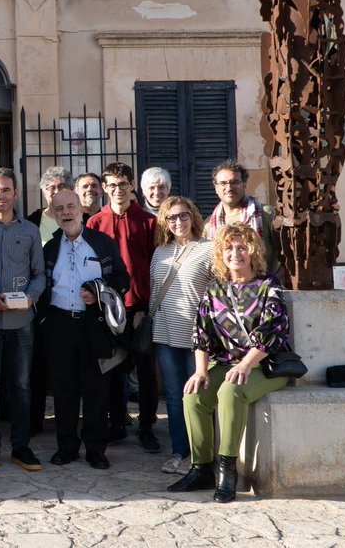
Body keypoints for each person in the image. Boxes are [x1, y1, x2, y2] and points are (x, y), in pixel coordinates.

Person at [168, 223, 290, 503]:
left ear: (253, 251)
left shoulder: (267, 285)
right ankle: (201, 468)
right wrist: (200, 371)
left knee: (230, 391)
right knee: (193, 394)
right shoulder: (215, 289)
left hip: (264, 365)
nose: (235, 253)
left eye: (242, 247)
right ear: (220, 253)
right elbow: (201, 333)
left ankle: (227, 469)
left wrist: (245, 365)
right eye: (229, 248)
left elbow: (273, 330)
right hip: (225, 364)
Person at [41, 189, 128, 471]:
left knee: (96, 389)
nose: (66, 212)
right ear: (53, 214)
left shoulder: (101, 244)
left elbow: (122, 278)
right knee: (63, 389)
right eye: (59, 209)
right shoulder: (50, 248)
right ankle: (66, 447)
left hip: (93, 324)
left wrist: (97, 289)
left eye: (71, 206)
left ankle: (95, 449)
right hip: (59, 324)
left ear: (81, 209)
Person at [0, 169, 46, 472]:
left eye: (5, 190)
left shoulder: (30, 230)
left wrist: (31, 296)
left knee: (22, 386)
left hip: (22, 320)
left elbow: (40, 273)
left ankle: (21, 446)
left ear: (15, 193)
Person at [86, 162, 160, 454]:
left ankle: (146, 427)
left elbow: (156, 264)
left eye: (123, 184)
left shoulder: (149, 222)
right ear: (105, 188)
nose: (118, 190)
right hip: (107, 308)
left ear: (132, 186)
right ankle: (117, 423)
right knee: (113, 367)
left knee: (145, 370)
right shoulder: (94, 223)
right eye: (112, 185)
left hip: (140, 305)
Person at [149, 196, 213, 476]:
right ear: (165, 222)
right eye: (171, 218)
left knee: (197, 398)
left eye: (183, 216)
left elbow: (217, 294)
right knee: (174, 397)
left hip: (196, 338)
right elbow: (154, 291)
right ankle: (180, 452)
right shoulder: (160, 251)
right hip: (164, 334)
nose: (178, 222)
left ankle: (202, 456)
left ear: (193, 216)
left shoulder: (209, 250)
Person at [204, 160, 279, 275]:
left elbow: (286, 253)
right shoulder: (208, 225)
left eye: (235, 182)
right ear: (216, 188)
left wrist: (275, 282)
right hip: (224, 290)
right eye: (223, 183)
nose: (229, 188)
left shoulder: (266, 214)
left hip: (264, 287)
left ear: (244, 186)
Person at [26, 166, 70, 239]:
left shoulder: (84, 219)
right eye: (52, 188)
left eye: (61, 186)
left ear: (71, 190)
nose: (57, 191)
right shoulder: (31, 222)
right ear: (44, 193)